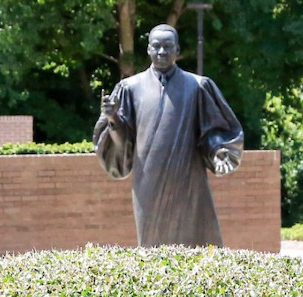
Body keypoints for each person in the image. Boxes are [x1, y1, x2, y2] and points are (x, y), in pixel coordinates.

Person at [92, 24, 245, 247]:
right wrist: (113, 118)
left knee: (197, 247)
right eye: (156, 47)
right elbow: (123, 144)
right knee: (152, 249)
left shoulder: (198, 86)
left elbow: (214, 130)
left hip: (188, 182)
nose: (162, 52)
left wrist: (219, 152)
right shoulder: (130, 88)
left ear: (177, 50)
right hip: (148, 184)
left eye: (167, 47)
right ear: (148, 50)